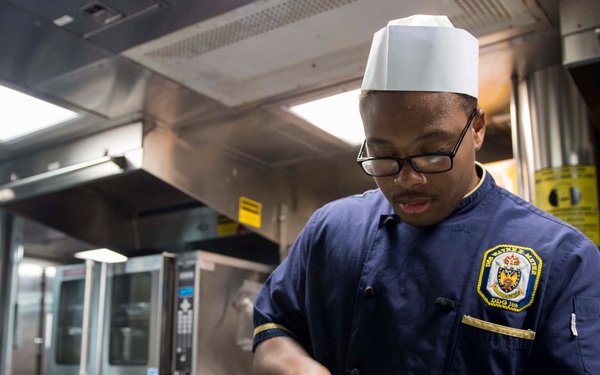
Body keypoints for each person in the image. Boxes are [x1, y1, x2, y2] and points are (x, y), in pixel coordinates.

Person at [252, 14, 600, 374]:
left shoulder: (561, 257)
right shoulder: (332, 229)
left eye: (432, 154)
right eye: (384, 156)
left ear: (477, 129)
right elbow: (273, 328)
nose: (407, 180)